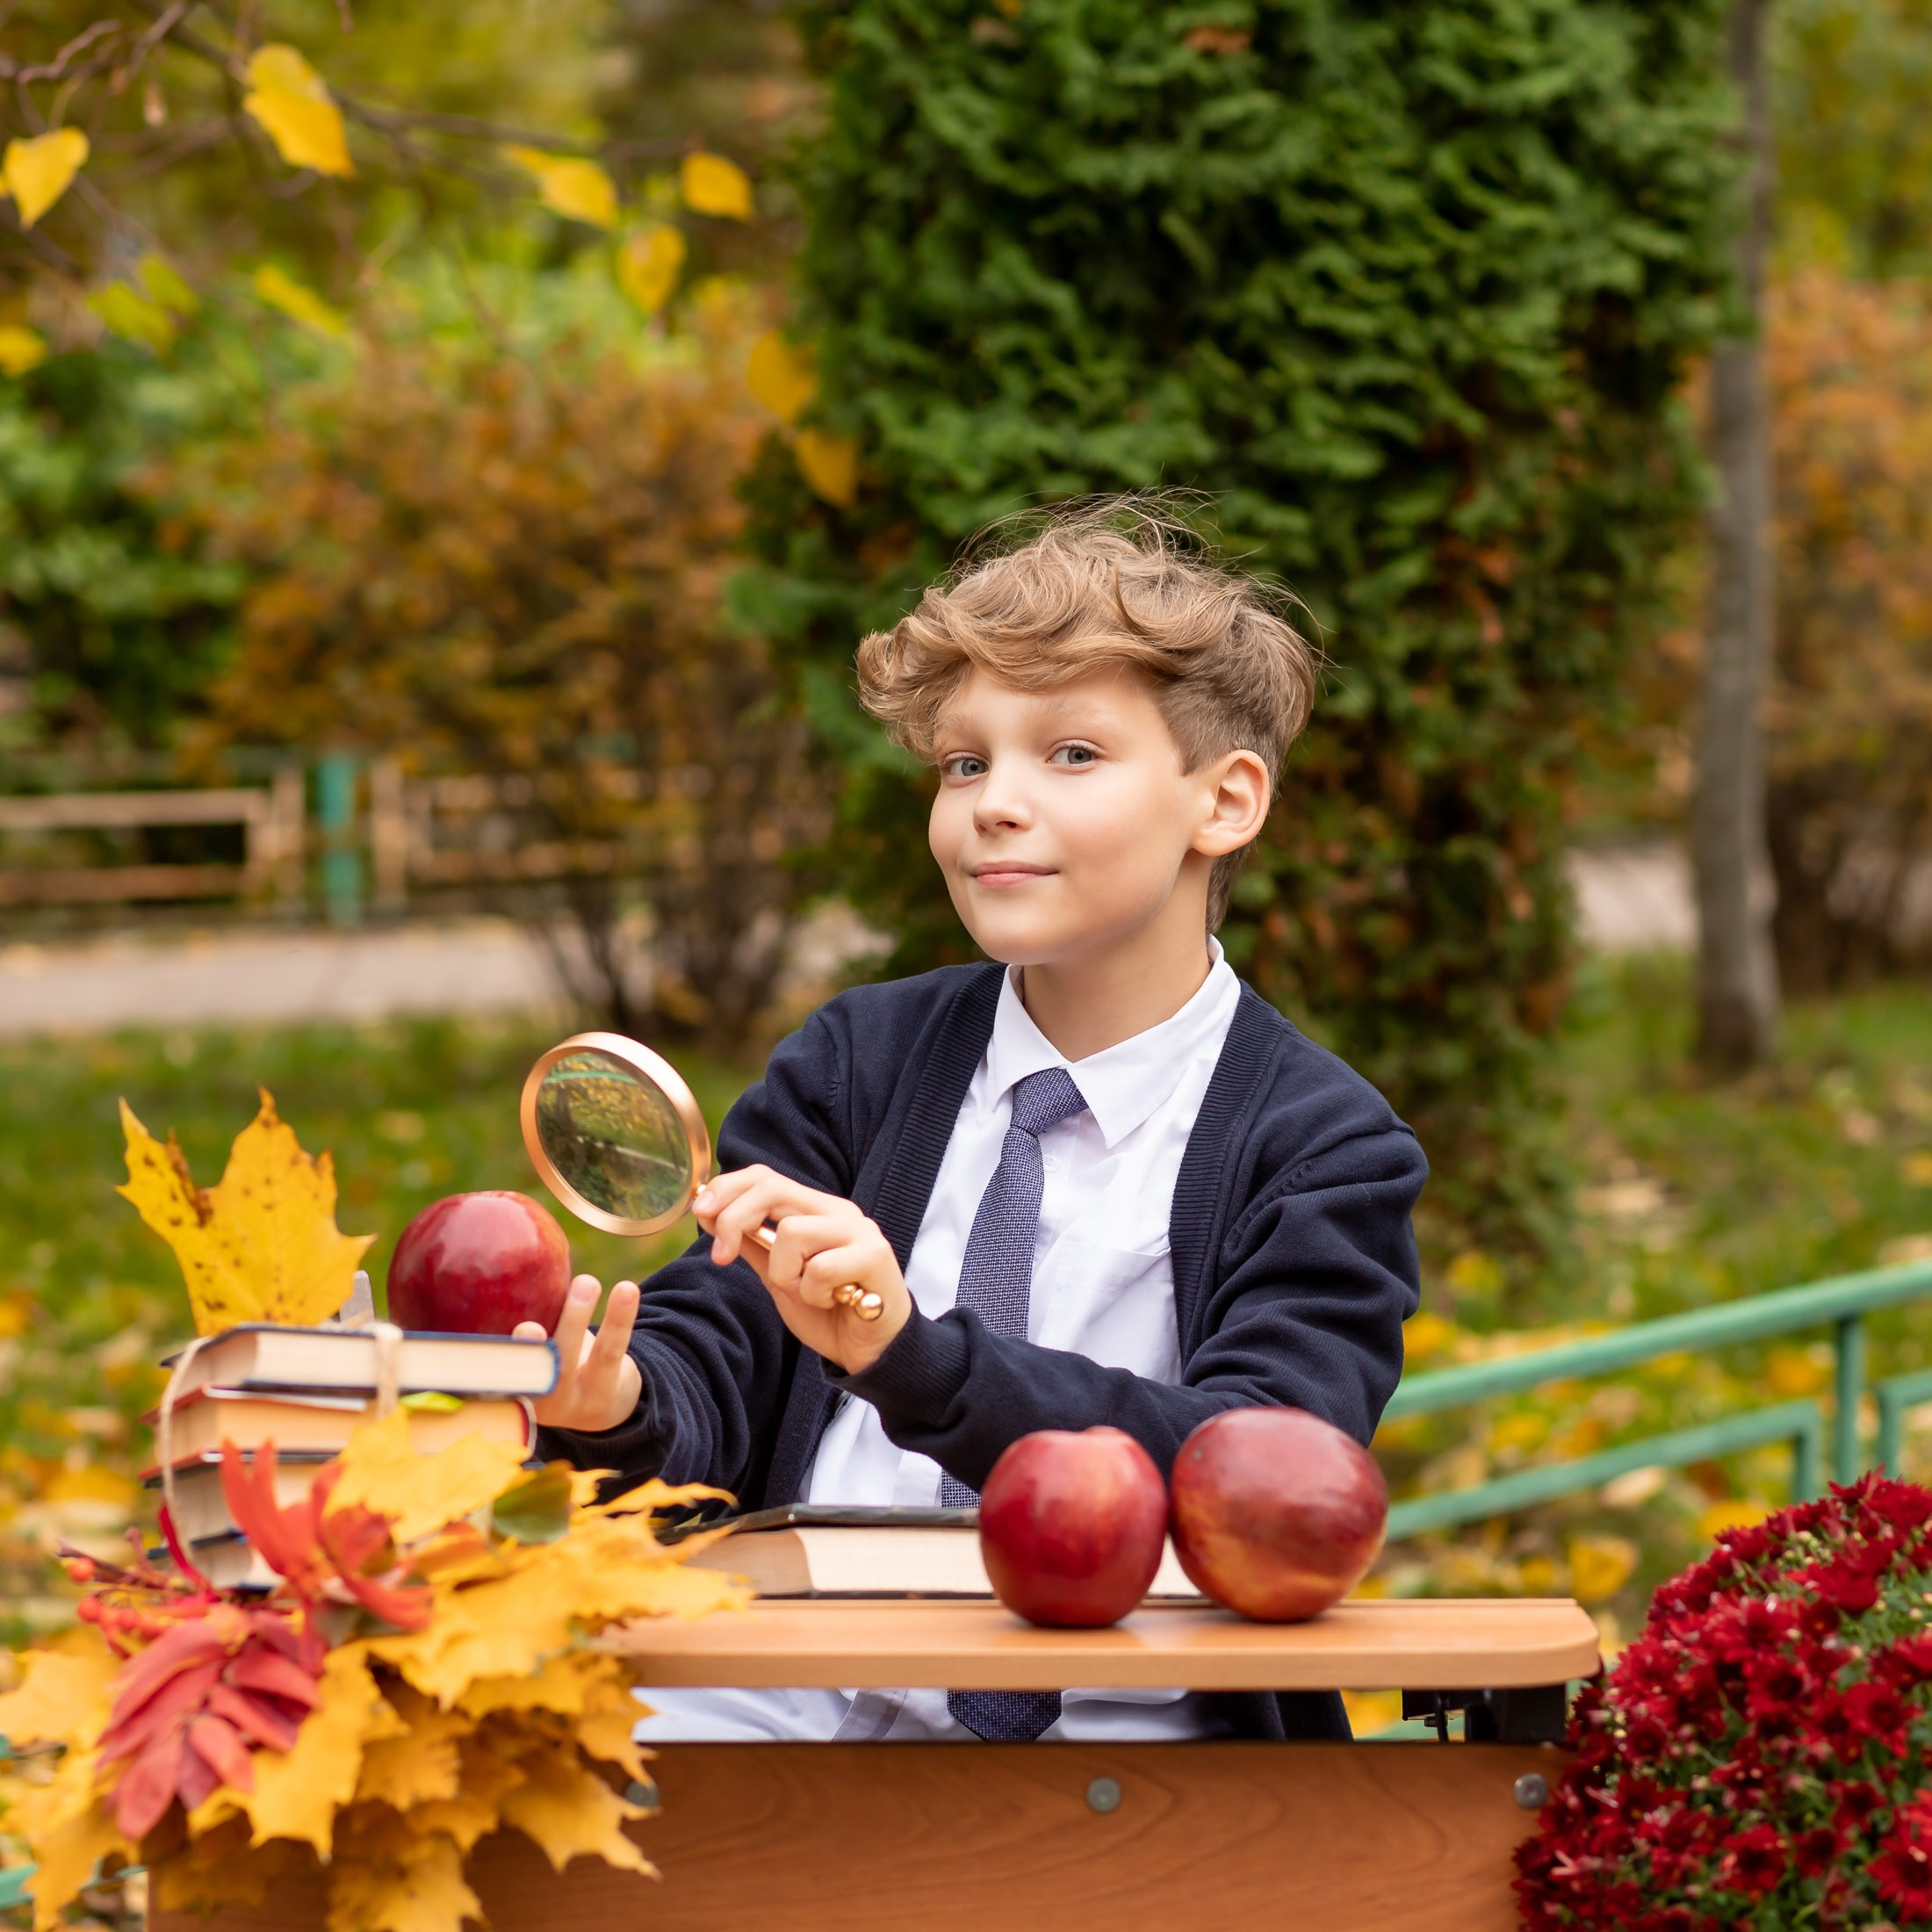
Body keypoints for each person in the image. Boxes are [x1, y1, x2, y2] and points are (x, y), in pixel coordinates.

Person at [515, 497, 1426, 1743]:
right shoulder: (857, 1060)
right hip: (779, 1699)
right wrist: (620, 1401)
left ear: (1224, 803)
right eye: (963, 761)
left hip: (1122, 1743)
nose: (994, 801)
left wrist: (911, 1355)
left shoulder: (1324, 1146)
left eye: (1071, 754)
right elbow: (713, 1360)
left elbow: (1267, 1474)